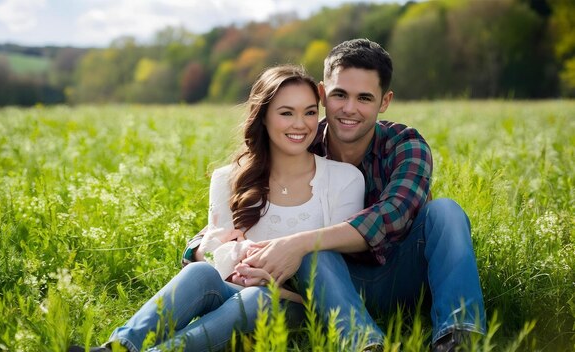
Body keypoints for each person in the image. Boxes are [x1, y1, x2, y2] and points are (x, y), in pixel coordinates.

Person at [183, 38, 487, 352]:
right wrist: (198, 250)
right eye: (339, 94)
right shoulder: (298, 143)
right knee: (317, 250)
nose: (349, 109)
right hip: (324, 284)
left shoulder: (404, 144)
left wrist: (297, 242)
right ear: (322, 93)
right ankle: (366, 345)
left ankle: (458, 337)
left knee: (446, 211)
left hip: (401, 276)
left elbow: (393, 214)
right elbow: (233, 205)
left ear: (384, 101)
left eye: (365, 98)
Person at [69, 64, 365, 352]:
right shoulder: (229, 178)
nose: (301, 124)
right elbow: (214, 255)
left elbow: (340, 280)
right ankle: (117, 347)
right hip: (235, 291)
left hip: (300, 307)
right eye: (286, 113)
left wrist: (270, 282)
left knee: (255, 298)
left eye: (310, 112)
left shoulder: (343, 179)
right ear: (263, 117)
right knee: (199, 274)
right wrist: (234, 266)